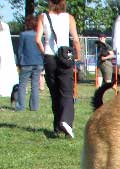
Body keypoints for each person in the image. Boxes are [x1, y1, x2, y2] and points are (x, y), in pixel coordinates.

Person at [35, 0, 81, 138]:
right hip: (65, 58)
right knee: (67, 92)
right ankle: (66, 122)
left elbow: (38, 40)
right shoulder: (69, 18)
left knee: (55, 93)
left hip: (49, 58)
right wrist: (77, 56)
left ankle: (56, 128)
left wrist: (45, 53)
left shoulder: (43, 17)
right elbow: (76, 40)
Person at [15, 14, 43, 112]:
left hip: (26, 63)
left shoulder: (23, 34)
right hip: (38, 62)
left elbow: (20, 50)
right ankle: (34, 107)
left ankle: (20, 107)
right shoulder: (38, 34)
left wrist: (18, 62)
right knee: (35, 85)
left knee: (22, 85)